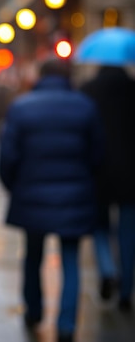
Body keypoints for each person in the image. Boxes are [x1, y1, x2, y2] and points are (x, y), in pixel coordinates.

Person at [0, 59, 104, 342]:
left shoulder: (21, 107)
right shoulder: (85, 106)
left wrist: (16, 187)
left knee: (33, 257)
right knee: (71, 261)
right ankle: (67, 325)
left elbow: (7, 157)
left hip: (32, 195)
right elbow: (97, 155)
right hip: (75, 195)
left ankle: (34, 311)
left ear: (40, 76)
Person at [80, 66, 135, 312]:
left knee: (100, 226)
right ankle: (126, 290)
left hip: (98, 170)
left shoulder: (88, 91)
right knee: (128, 233)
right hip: (131, 174)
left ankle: (107, 268)